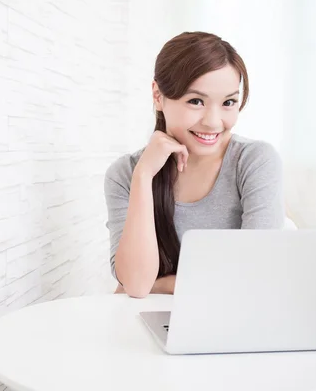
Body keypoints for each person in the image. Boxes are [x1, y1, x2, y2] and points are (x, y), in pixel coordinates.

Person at [103, 31, 285, 298]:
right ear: (157, 95)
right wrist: (143, 175)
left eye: (228, 102)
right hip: (155, 322)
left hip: (238, 320)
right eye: (196, 101)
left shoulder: (254, 161)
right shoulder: (126, 174)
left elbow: (255, 275)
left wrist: (161, 284)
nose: (213, 121)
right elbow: (136, 283)